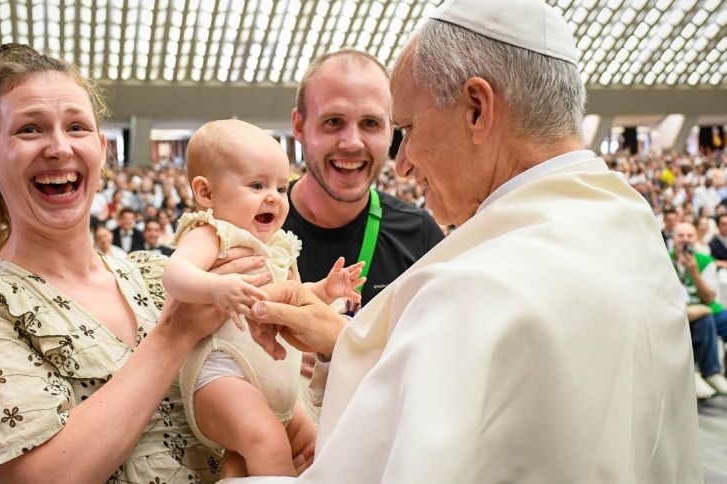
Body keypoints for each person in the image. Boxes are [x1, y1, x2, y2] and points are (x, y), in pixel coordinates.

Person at [224, 0, 701, 481]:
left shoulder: (476, 288)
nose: (403, 162)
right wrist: (343, 343)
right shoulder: (628, 225)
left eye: (405, 129)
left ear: (477, 109)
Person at [0, 43, 275, 484]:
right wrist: (175, 334)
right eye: (30, 129)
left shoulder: (154, 275)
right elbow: (48, 477)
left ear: (102, 150)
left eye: (77, 127)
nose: (59, 148)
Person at [163, 120, 363, 477]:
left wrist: (325, 291)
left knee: (316, 444)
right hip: (222, 375)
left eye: (282, 187)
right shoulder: (212, 233)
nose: (273, 196)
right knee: (267, 441)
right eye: (257, 185)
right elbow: (175, 274)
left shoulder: (279, 245)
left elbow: (287, 298)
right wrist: (214, 287)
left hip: (278, 384)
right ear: (206, 193)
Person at [284, 49, 443, 307]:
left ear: (390, 133)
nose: (352, 143)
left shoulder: (419, 238)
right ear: (299, 127)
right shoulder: (250, 227)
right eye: (334, 121)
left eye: (370, 123)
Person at [671, 222, 727, 395]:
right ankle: (710, 373)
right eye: (681, 235)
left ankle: (718, 374)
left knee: (717, 317)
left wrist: (694, 272)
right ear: (674, 238)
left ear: (695, 239)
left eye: (689, 236)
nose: (685, 239)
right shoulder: (665, 259)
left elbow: (710, 298)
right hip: (683, 313)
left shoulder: (705, 261)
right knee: (704, 319)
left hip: (708, 308)